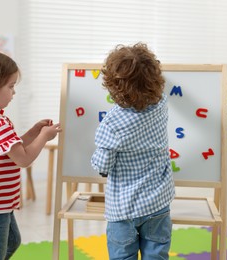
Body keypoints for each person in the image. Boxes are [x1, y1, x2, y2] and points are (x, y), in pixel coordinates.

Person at [0, 50, 61, 260]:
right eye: (10, 86)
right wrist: (44, 137)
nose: (14, 92)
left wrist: (35, 131)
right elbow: (23, 159)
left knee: (12, 242)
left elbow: (12, 149)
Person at [91, 43, 175, 260]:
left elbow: (102, 166)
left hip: (123, 209)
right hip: (158, 202)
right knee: (157, 256)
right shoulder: (162, 103)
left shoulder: (112, 124)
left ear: (113, 85)